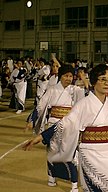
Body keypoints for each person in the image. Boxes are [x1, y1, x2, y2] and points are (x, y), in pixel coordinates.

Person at [23, 64, 108, 192]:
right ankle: (54, 177)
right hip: (90, 154)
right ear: (94, 81)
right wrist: (41, 137)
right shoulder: (83, 104)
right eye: (102, 79)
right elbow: (65, 123)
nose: (107, 83)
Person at [25, 64, 89, 192]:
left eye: (71, 76)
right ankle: (52, 176)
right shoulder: (52, 89)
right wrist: (32, 120)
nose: (69, 78)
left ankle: (74, 184)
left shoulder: (75, 90)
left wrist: (85, 81)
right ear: (61, 76)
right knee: (52, 152)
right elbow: (41, 106)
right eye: (66, 76)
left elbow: (87, 96)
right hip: (54, 123)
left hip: (69, 125)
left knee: (70, 154)